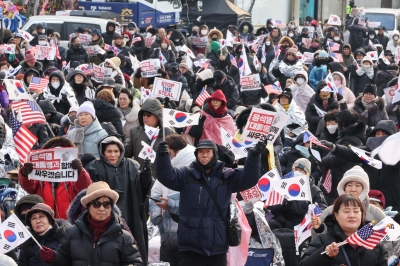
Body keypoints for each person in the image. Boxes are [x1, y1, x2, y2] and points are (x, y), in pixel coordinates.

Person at [155, 139, 264, 266]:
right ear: (196, 154)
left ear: (215, 154)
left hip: (217, 244)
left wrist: (254, 156)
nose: (204, 155)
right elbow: (166, 176)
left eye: (208, 152)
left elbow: (249, 179)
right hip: (191, 244)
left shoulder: (227, 176)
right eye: (201, 152)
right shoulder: (186, 174)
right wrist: (162, 157)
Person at [40, 182, 143, 265]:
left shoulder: (124, 236)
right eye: (96, 204)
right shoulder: (71, 233)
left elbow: (135, 261)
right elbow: (64, 260)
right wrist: (53, 257)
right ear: (87, 207)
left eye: (107, 204)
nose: (102, 208)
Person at [85, 136, 152, 264]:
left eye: (116, 151)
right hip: (104, 213)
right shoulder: (94, 167)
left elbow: (143, 190)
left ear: (121, 151)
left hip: (131, 210)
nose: (113, 155)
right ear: (102, 152)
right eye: (109, 151)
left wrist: (146, 173)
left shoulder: (131, 165)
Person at [325, 120, 400, 211]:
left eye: (384, 134)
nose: (379, 137)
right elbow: (350, 153)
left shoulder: (396, 154)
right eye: (377, 134)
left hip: (391, 201)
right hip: (370, 198)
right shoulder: (368, 152)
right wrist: (334, 148)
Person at [300, 194, 388, 265]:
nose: (352, 215)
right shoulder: (323, 241)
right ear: (336, 215)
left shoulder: (374, 243)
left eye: (356, 211)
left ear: (362, 215)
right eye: (346, 211)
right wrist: (326, 256)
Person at [150, 134, 196, 266]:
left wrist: (171, 205)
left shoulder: (194, 170)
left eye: (168, 152)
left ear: (178, 152)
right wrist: (156, 214)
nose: (166, 156)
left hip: (190, 232)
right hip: (167, 232)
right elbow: (156, 191)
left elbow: (197, 202)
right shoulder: (167, 170)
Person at [18, 137, 92, 219]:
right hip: (45, 225)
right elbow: (29, 186)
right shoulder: (40, 178)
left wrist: (80, 172)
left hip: (70, 225)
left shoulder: (74, 176)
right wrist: (25, 174)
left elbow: (85, 189)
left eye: (61, 155)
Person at [124, 98, 175, 175]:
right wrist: (118, 145)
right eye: (143, 114)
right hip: (140, 177)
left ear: (157, 116)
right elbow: (127, 154)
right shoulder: (135, 131)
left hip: (160, 178)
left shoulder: (168, 132)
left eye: (148, 114)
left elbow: (175, 157)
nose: (145, 117)